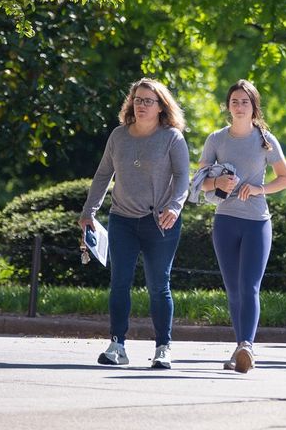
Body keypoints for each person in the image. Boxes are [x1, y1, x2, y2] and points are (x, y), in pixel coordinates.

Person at [82, 78, 190, 369]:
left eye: (148, 101)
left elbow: (182, 178)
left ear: (160, 107)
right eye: (137, 100)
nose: (141, 105)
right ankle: (117, 345)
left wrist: (175, 207)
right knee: (119, 283)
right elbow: (103, 175)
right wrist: (88, 211)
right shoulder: (118, 136)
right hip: (122, 221)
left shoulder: (172, 137)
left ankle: (163, 348)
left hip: (161, 222)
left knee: (159, 286)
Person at [197, 80, 286, 373]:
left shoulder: (265, 140)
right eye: (235, 101)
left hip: (257, 223)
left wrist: (257, 189)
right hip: (225, 220)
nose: (239, 107)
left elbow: (285, 178)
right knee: (233, 288)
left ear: (254, 107)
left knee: (250, 286)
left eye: (245, 102)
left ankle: (246, 347)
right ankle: (239, 346)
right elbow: (200, 182)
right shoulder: (216, 139)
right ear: (228, 106)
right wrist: (218, 182)